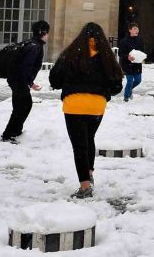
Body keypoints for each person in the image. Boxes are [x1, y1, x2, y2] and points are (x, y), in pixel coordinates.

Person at [48, 22, 124, 199]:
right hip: (96, 106)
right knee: (89, 139)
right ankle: (89, 173)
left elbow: (55, 79)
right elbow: (116, 85)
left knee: (79, 145)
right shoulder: (106, 56)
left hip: (73, 105)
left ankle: (85, 186)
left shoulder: (71, 53)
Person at [0, 20, 49, 143]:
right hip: (18, 80)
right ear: (42, 32)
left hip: (16, 79)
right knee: (23, 106)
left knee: (22, 106)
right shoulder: (35, 47)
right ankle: (8, 134)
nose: (48, 35)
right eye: (47, 32)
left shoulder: (31, 44)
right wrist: (30, 83)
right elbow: (26, 66)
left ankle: (15, 131)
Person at [118, 22, 145, 102]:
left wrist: (142, 57)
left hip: (137, 64)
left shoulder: (140, 40)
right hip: (127, 64)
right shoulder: (124, 41)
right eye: (134, 29)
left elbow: (142, 51)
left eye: (137, 29)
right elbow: (120, 53)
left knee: (138, 80)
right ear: (130, 30)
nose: (137, 30)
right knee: (129, 81)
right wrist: (127, 57)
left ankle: (129, 90)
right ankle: (126, 98)